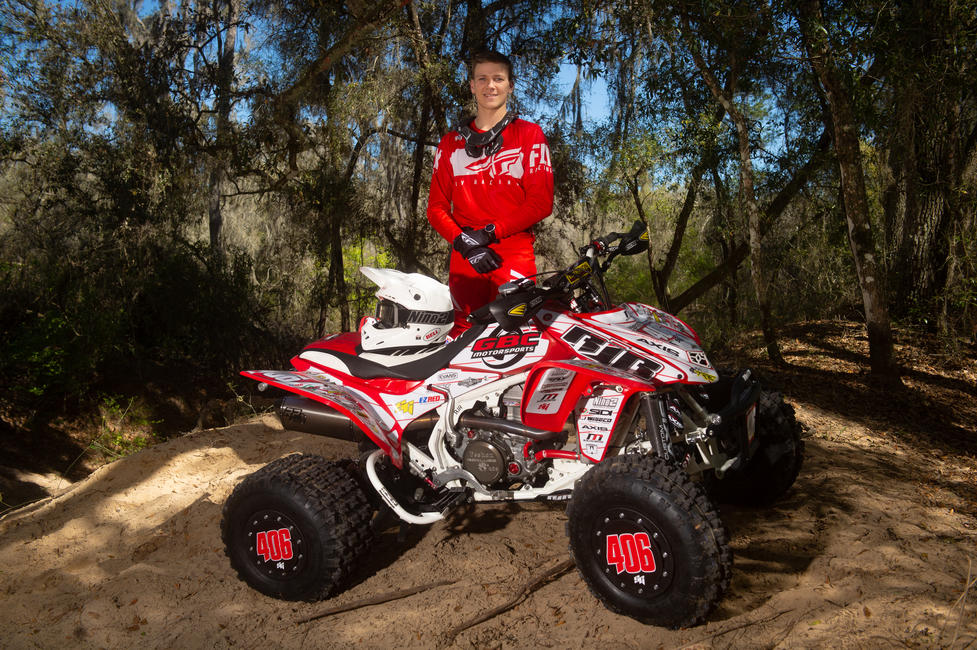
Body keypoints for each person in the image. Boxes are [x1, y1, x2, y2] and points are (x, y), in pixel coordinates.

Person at [427, 49, 554, 332]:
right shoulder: (450, 144)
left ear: (510, 85)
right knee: (461, 339)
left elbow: (541, 203)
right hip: (465, 258)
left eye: (498, 78)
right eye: (482, 79)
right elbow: (435, 208)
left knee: (518, 338)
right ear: (472, 85)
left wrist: (487, 233)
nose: (490, 85)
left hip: (513, 252)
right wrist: (466, 244)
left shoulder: (529, 135)